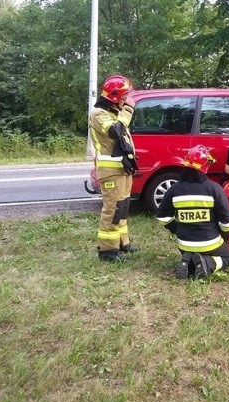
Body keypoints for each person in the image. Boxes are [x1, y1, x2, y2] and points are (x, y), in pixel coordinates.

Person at [156, 145, 229, 279]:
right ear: (206, 166)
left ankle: (189, 263)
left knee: (193, 253)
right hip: (211, 243)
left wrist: (177, 229)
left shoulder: (175, 189)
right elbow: (227, 222)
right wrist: (225, 238)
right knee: (227, 258)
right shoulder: (214, 189)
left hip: (184, 245)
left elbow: (162, 217)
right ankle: (207, 263)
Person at [89, 75, 140, 262]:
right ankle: (107, 250)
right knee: (112, 208)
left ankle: (122, 243)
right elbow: (115, 131)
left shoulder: (114, 112)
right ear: (114, 96)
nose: (127, 99)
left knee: (123, 207)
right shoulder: (98, 114)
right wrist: (127, 110)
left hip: (123, 168)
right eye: (124, 96)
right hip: (110, 172)